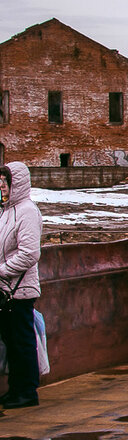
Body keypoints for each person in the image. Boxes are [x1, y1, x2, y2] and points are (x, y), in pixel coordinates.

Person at [0, 162, 44, 409]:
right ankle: (16, 389)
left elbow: (29, 253)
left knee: (22, 341)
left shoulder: (27, 210)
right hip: (6, 289)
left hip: (19, 289)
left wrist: (2, 272)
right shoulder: (6, 210)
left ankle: (27, 391)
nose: (1, 187)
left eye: (6, 182)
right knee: (12, 341)